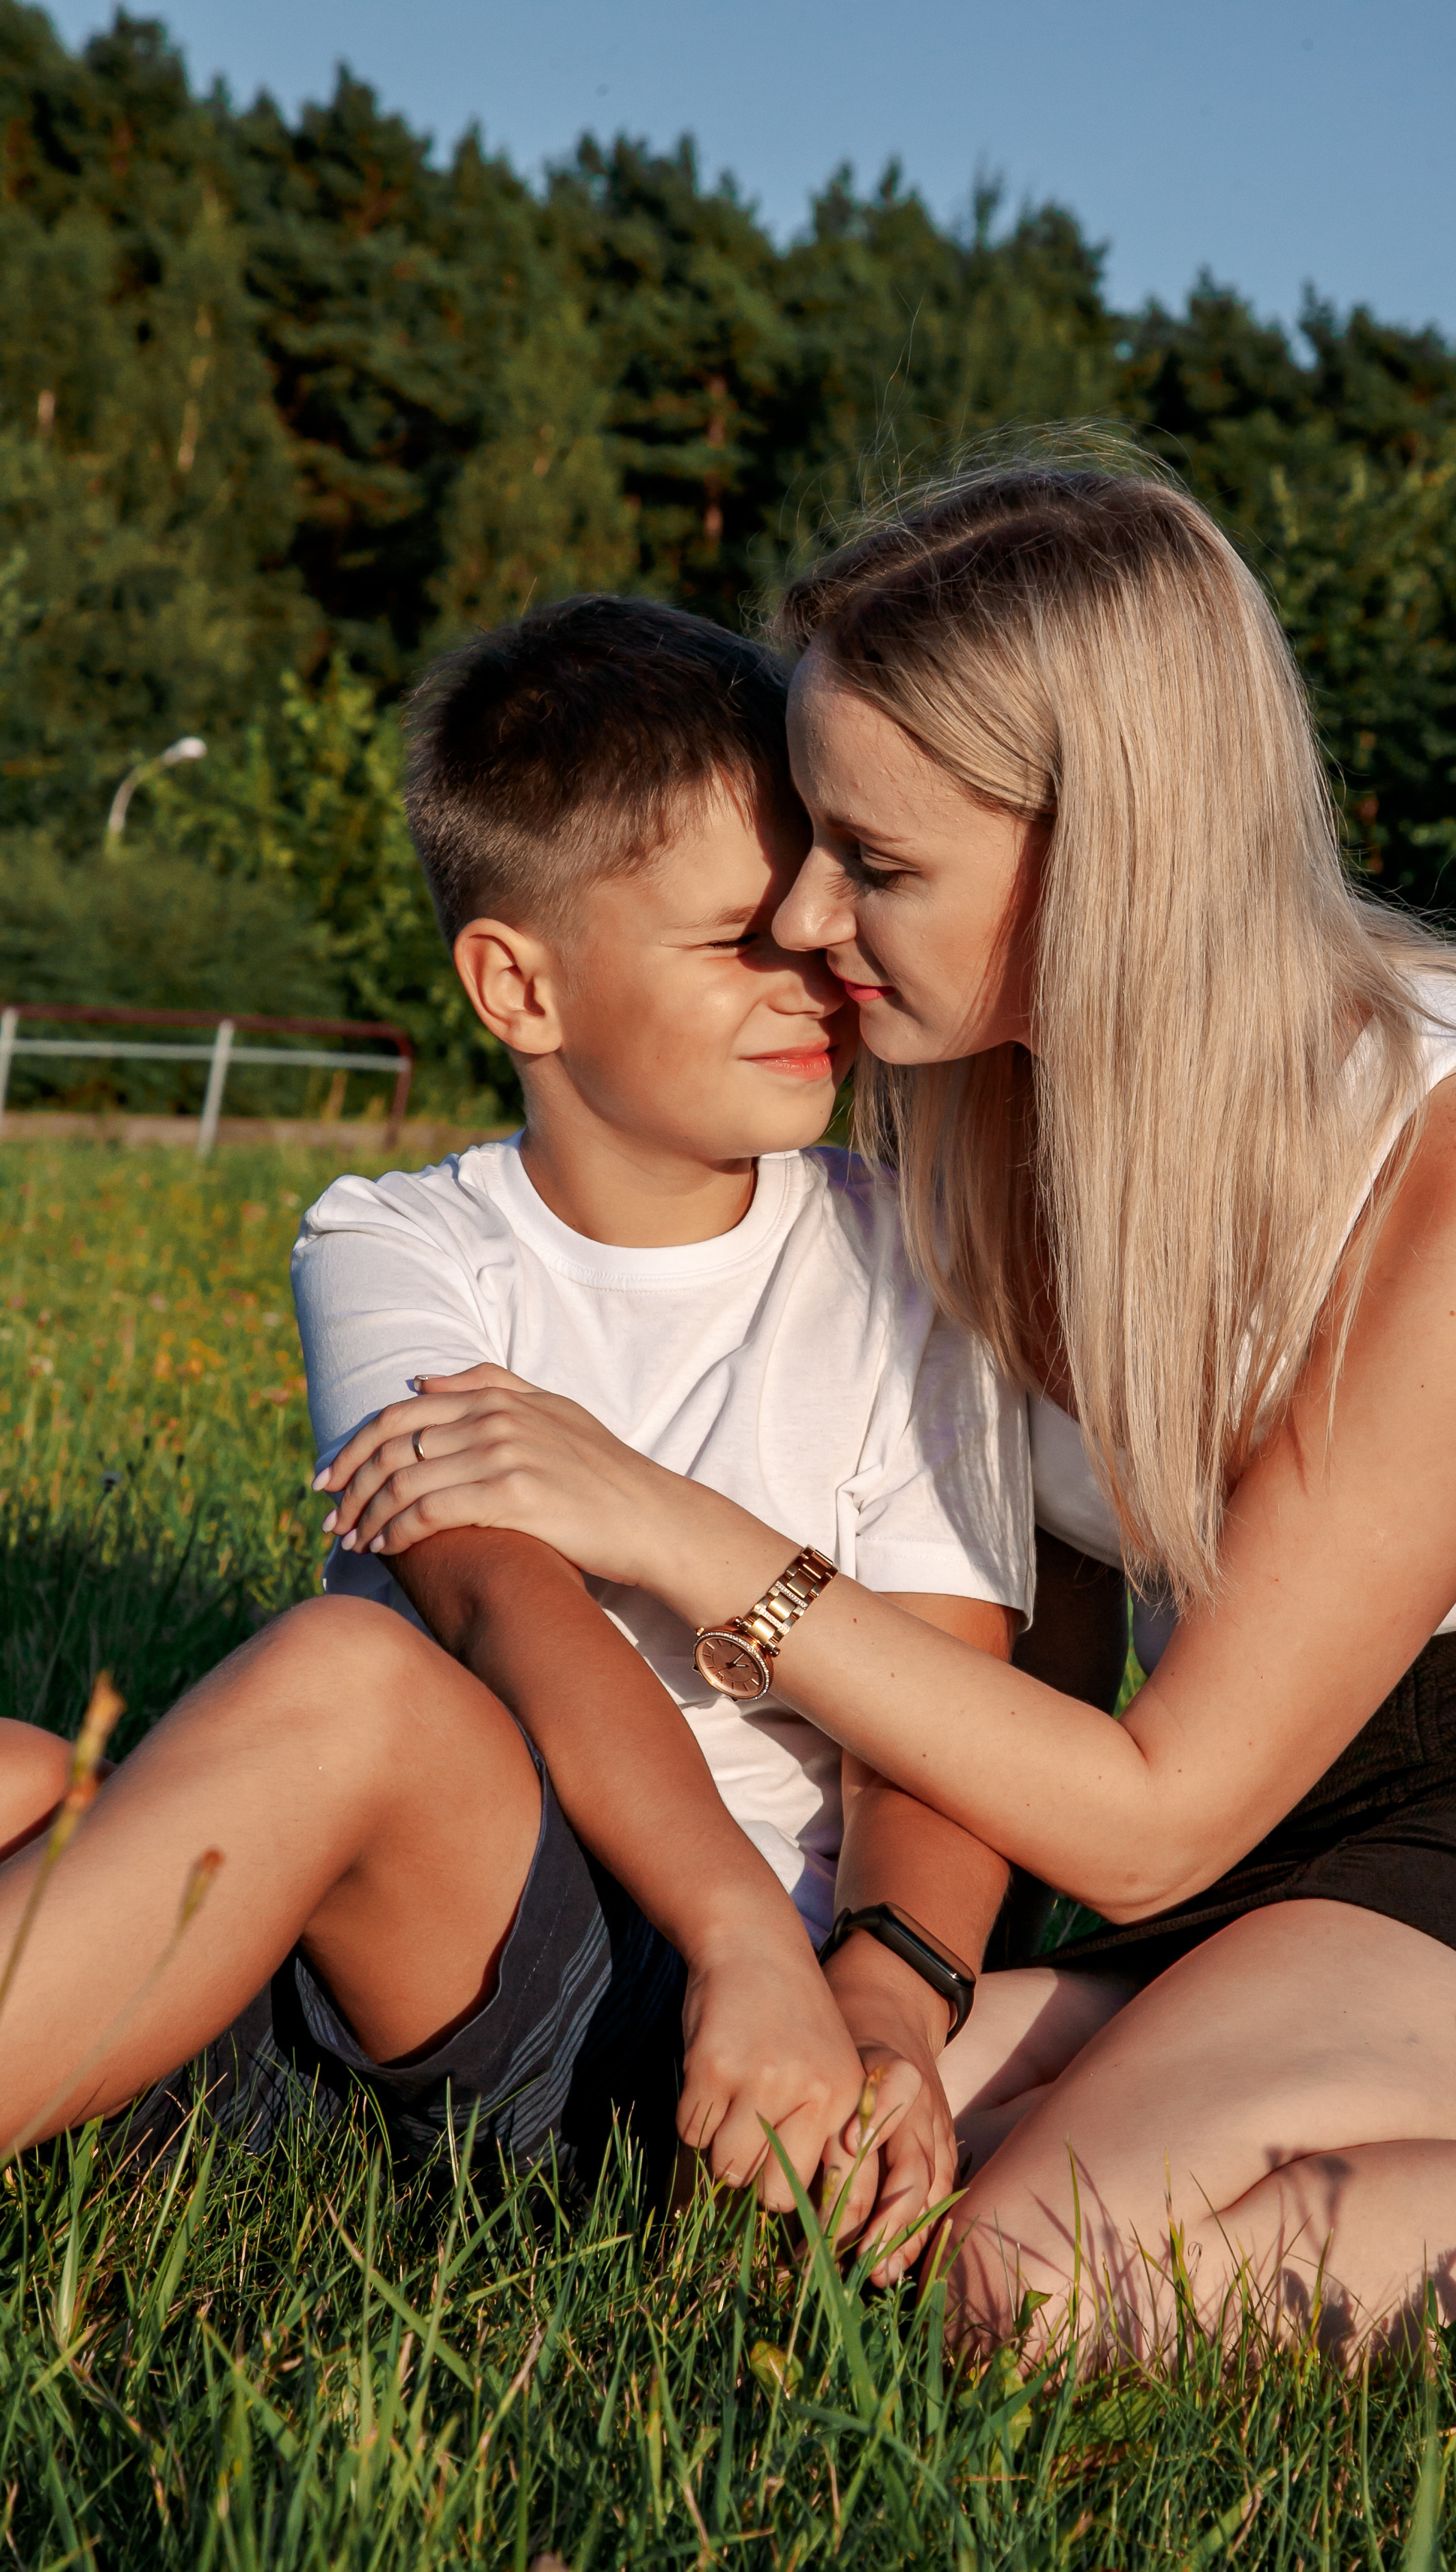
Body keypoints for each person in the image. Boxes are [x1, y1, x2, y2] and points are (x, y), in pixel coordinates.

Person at [323, 454, 1456, 2370]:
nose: (814, 920)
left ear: (1115, 853)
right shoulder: (981, 1102)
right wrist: (899, 1992)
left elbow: (1150, 1828)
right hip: (1266, 1812)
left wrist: (669, 1524)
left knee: (1030, 2275)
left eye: (880, 865)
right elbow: (1033, 1671)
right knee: (785, 2188)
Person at [0, 598, 1033, 2270]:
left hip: (681, 2023)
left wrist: (823, 1982)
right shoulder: (395, 1242)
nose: (819, 975)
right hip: (414, 1937)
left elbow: (944, 1715)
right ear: (516, 985)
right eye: (738, 941)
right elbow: (496, 1593)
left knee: (350, 1677)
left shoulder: (913, 1261)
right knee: (24, 1779)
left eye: (822, 920)